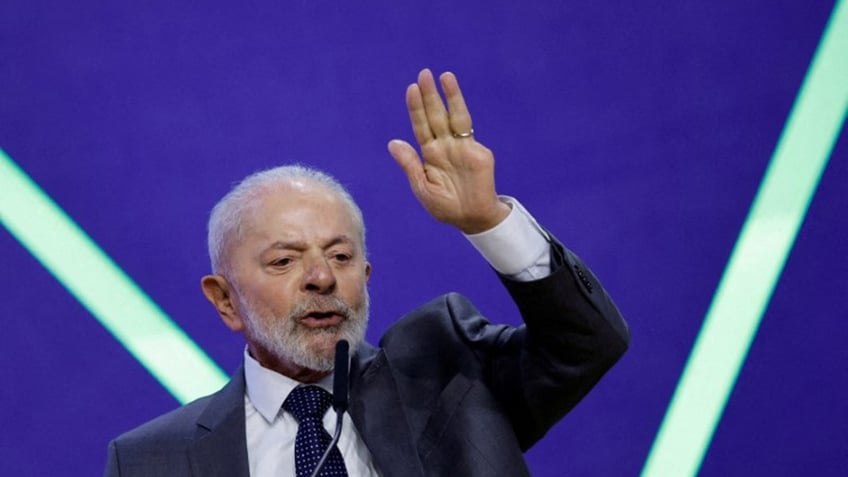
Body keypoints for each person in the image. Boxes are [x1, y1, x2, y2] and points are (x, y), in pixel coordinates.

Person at [104, 69, 629, 477]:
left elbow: (587, 343)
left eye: (341, 256)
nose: (322, 278)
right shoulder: (152, 460)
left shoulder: (449, 377)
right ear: (224, 300)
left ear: (367, 275)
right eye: (285, 261)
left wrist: (487, 221)